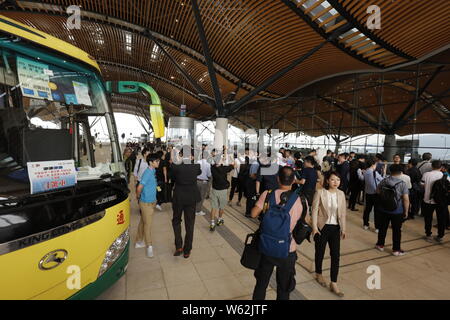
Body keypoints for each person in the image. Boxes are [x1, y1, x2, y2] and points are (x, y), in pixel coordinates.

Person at [251, 166, 302, 300]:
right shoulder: (300, 200)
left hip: (266, 246)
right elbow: (301, 226)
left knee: (261, 284)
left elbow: (253, 213)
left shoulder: (267, 194)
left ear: (278, 179)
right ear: (294, 181)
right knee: (284, 288)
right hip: (287, 249)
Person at [311, 171, 347, 297]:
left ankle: (334, 282)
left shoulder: (341, 194)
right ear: (327, 181)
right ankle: (319, 273)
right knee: (320, 252)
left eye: (338, 179)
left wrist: (343, 228)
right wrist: (314, 227)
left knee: (335, 255)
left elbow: (342, 213)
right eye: (332, 179)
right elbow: (314, 210)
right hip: (322, 227)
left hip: (335, 228)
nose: (335, 182)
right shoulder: (320, 192)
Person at [170, 147, 202, 258]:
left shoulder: (175, 166)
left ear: (182, 155)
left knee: (176, 221)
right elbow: (199, 172)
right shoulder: (196, 166)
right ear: (192, 156)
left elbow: (172, 177)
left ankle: (179, 246)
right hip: (191, 198)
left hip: (179, 197)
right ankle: (187, 250)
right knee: (190, 223)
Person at [375, 164, 410, 256]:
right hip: (397, 211)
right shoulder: (402, 184)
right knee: (396, 230)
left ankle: (380, 245)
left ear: (390, 171)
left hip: (383, 209)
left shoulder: (384, 180)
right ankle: (396, 250)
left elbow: (377, 191)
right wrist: (406, 211)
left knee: (383, 228)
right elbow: (406, 199)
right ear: (401, 172)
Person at [135, 154, 160, 258]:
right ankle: (149, 246)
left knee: (143, 221)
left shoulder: (153, 171)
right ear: (151, 162)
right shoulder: (148, 172)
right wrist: (138, 196)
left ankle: (138, 241)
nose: (158, 163)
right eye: (156, 161)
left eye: (158, 161)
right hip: (146, 203)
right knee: (148, 225)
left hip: (152, 201)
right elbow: (139, 187)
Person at [421, 160, 446, 243]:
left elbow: (422, 186)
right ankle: (440, 236)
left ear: (432, 166)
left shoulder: (426, 174)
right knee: (441, 219)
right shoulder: (445, 176)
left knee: (428, 218)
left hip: (428, 200)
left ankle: (428, 235)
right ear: (441, 167)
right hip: (441, 201)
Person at [209, 155, 234, 231]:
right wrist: (230, 157)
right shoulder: (224, 168)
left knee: (214, 207)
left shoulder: (212, 167)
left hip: (214, 189)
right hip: (223, 190)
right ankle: (219, 219)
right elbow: (233, 164)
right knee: (221, 206)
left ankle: (212, 223)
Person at [360, 157, 383, 231]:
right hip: (376, 194)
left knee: (367, 210)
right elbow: (382, 180)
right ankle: (377, 227)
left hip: (368, 193)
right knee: (377, 211)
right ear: (373, 164)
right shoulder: (374, 172)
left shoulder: (366, 172)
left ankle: (365, 224)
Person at [195, 149, 212, 216]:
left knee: (196, 195)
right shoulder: (208, 164)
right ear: (207, 156)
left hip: (196, 181)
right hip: (204, 182)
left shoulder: (197, 162)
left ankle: (194, 208)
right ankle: (198, 211)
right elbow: (209, 175)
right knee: (201, 197)